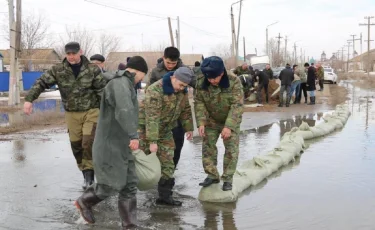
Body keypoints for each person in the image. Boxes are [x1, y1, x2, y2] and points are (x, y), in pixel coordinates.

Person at [74, 56, 148, 228]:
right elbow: (124, 111)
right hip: (110, 144)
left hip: (123, 144)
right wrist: (133, 135)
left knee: (129, 185)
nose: (142, 79)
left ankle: (130, 225)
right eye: (142, 75)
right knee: (110, 184)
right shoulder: (120, 83)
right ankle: (84, 202)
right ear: (137, 71)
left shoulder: (127, 84)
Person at [24, 42, 107, 189]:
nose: (71, 57)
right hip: (71, 112)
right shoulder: (59, 70)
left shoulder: (92, 69)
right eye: (68, 54)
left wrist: (108, 112)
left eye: (74, 53)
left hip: (91, 110)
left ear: (80, 52)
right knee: (76, 145)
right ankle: (85, 172)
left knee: (88, 142)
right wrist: (29, 100)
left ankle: (89, 178)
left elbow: (102, 91)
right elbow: (41, 82)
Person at [138, 66, 194, 206]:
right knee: (141, 161)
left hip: (165, 130)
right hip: (145, 130)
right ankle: (123, 191)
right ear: (173, 78)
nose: (182, 88)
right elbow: (152, 117)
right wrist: (152, 141)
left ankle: (164, 197)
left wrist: (189, 128)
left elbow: (185, 109)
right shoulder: (155, 90)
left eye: (185, 86)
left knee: (168, 162)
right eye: (181, 85)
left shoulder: (182, 91)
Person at [195, 56, 244, 191]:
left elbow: (237, 105)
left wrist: (228, 126)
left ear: (221, 73)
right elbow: (199, 102)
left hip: (230, 120)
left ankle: (227, 178)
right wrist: (201, 122)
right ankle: (212, 175)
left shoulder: (234, 81)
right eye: (209, 78)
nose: (212, 81)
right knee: (208, 147)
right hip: (210, 120)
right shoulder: (201, 82)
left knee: (231, 150)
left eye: (214, 78)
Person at [147, 47, 191, 169]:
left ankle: (171, 167)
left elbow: (186, 101)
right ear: (163, 58)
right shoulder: (156, 71)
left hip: (176, 114)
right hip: (161, 113)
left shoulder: (183, 71)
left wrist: (189, 127)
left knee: (177, 143)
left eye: (174, 63)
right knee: (158, 144)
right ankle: (159, 168)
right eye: (168, 63)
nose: (171, 66)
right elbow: (149, 91)